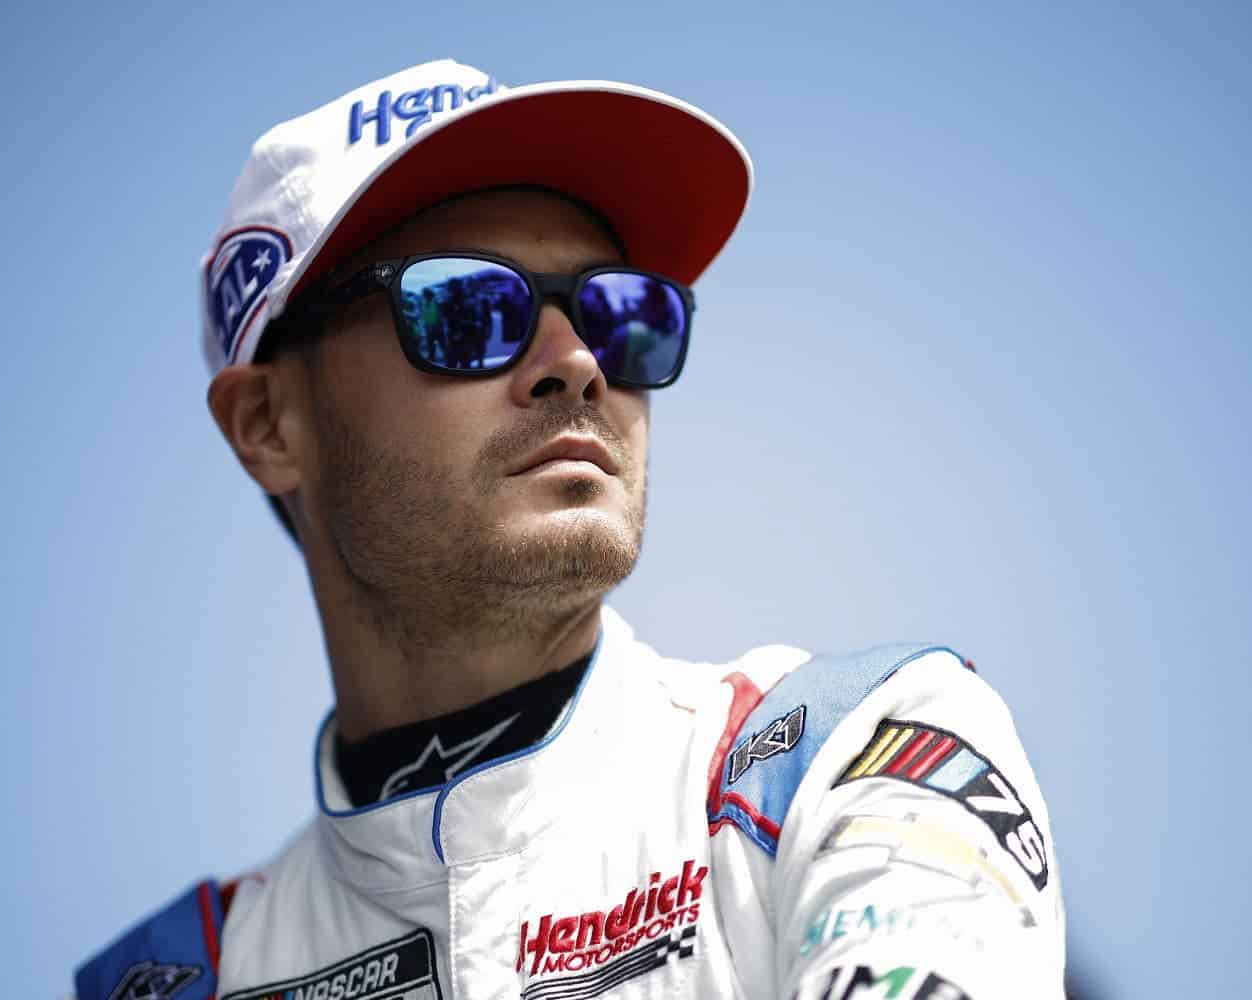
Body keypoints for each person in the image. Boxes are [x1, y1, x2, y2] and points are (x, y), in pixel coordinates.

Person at [76, 59, 1066, 1000]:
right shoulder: (181, 975)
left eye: (623, 312)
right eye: (468, 307)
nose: (578, 360)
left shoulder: (858, 750)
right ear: (268, 425)